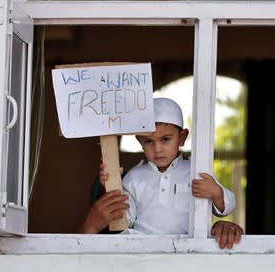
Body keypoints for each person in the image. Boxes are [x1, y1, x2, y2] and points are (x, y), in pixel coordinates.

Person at [80, 97, 242, 248]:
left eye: (165, 139)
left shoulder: (197, 172)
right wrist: (112, 185)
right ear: (140, 142)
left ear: (182, 138)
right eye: (148, 141)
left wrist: (216, 192)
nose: (157, 149)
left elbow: (227, 207)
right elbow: (124, 219)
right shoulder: (134, 177)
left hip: (187, 249)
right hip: (143, 249)